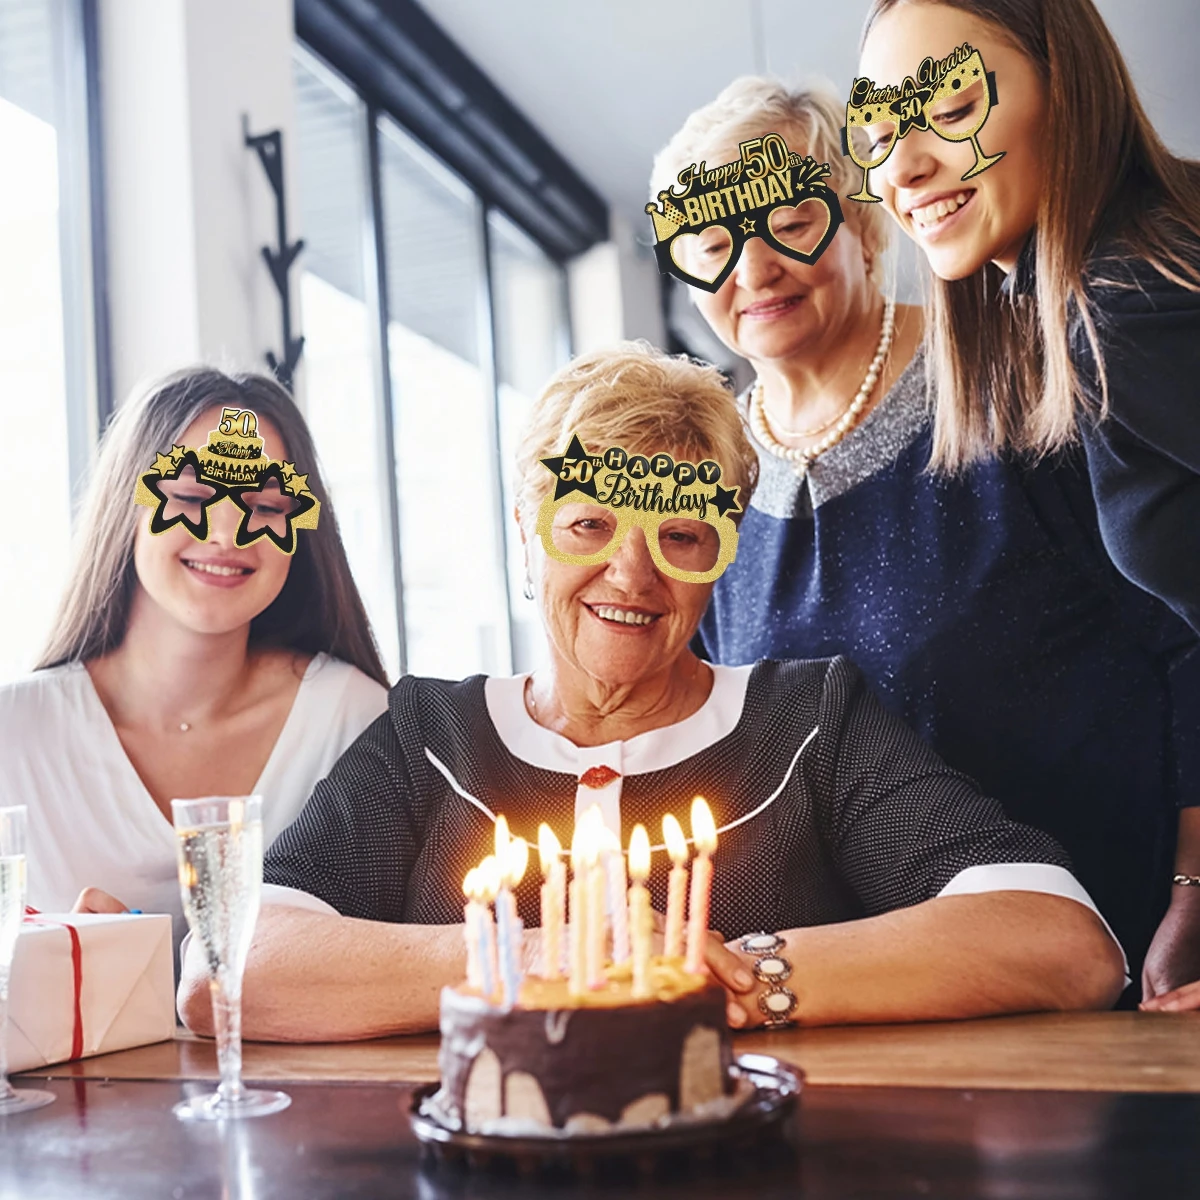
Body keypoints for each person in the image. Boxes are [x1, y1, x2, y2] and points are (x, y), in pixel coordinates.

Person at [178, 343, 1124, 1040]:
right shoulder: (430, 734)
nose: (632, 577)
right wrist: (548, 958)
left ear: (723, 559)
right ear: (527, 529)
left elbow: (1061, 937)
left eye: (681, 536)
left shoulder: (810, 721)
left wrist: (738, 976)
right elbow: (230, 969)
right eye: (589, 525)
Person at [652, 77, 1199, 999]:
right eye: (711, 244)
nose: (753, 272)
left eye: (790, 225)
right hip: (841, 987)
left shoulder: (1023, 376)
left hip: (1104, 955)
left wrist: (1196, 887)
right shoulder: (704, 485)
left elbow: (1185, 634)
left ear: (865, 221)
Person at [856, 0, 1200, 1010]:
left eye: (951, 101)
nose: (903, 168)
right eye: (877, 133)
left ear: (1067, 83)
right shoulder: (1076, 297)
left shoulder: (1129, 294)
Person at [0, 369, 389, 951]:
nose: (228, 533)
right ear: (126, 502)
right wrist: (49, 960)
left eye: (263, 504)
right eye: (191, 497)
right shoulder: (14, 734)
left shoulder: (356, 721)